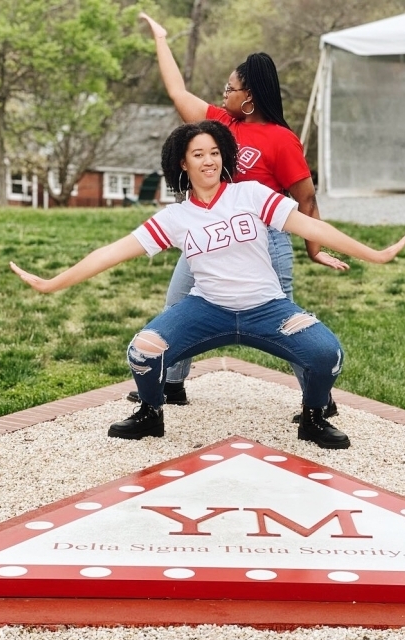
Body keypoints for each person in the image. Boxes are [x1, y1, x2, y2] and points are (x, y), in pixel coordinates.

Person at [10, 120, 405, 450]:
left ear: (224, 157)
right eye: (198, 154)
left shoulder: (251, 195)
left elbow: (311, 225)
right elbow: (111, 252)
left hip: (267, 308)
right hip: (207, 310)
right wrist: (53, 284)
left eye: (215, 152)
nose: (208, 161)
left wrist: (373, 254)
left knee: (327, 354)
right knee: (143, 352)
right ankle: (151, 414)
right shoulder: (176, 217)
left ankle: (313, 417)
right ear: (183, 164)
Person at [130, 13, 349, 415]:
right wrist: (161, 38)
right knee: (178, 303)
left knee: (289, 319)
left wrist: (314, 248)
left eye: (229, 88)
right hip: (208, 234)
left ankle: (320, 401)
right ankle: (171, 384)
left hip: (264, 239)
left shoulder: (282, 140)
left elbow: (307, 200)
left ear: (248, 96)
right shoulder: (221, 124)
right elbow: (177, 91)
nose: (223, 92)